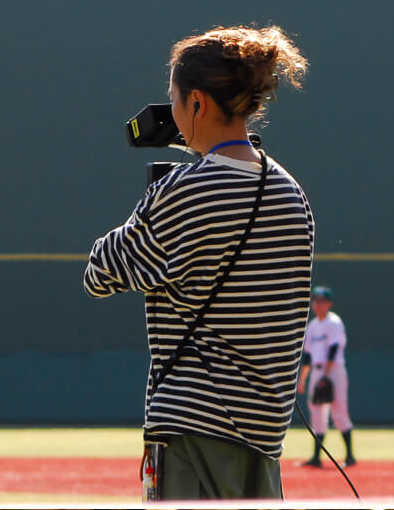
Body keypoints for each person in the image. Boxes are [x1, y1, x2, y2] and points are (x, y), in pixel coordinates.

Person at [84, 25, 313, 502]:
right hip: (265, 434)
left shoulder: (184, 192)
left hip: (194, 427)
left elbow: (101, 271)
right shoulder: (291, 193)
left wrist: (156, 199)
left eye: (174, 98)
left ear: (197, 103)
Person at [297, 285, 357, 467]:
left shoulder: (334, 323)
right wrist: (302, 379)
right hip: (316, 371)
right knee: (316, 413)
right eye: (315, 300)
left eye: (321, 301)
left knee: (339, 410)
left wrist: (326, 376)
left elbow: (333, 349)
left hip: (334, 371)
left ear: (329, 303)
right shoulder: (313, 326)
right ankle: (316, 457)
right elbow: (307, 355)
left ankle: (349, 456)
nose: (317, 304)